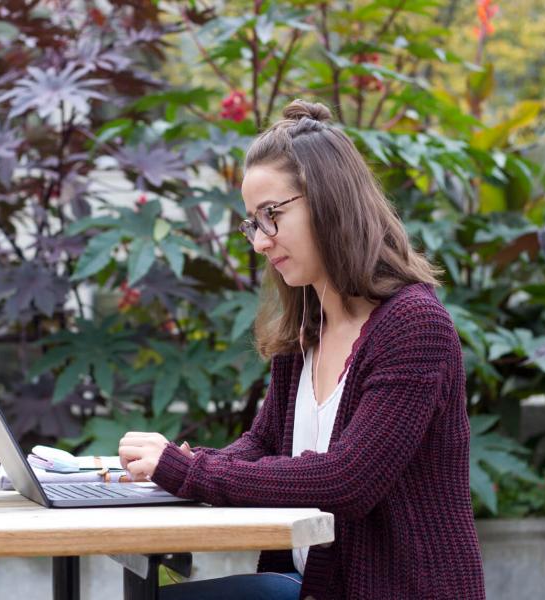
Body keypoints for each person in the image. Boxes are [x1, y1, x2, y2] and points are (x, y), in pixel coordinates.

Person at [117, 100, 486, 599]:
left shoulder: (414, 327)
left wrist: (192, 473)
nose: (260, 242)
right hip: (306, 586)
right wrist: (172, 466)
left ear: (331, 201)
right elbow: (266, 445)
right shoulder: (309, 324)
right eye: (252, 222)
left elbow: (347, 480)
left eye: (272, 215)